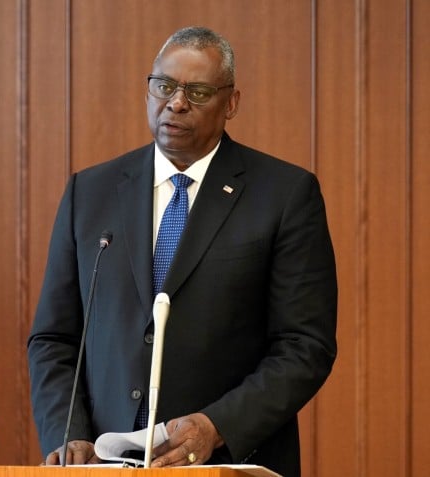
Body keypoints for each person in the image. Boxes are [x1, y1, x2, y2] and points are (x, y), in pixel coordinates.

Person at [27, 26, 337, 477]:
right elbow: (54, 338)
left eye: (197, 91)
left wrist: (217, 426)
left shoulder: (285, 195)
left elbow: (305, 345)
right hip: (102, 463)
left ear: (230, 103)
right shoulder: (89, 193)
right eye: (164, 86)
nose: (175, 102)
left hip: (227, 462)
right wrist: (68, 432)